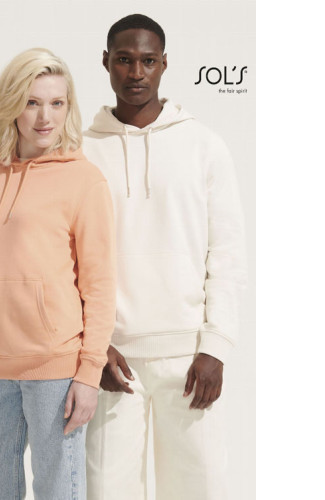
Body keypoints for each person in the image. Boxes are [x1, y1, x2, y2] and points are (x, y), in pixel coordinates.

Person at [83, 14, 247, 500]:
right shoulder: (80, 150)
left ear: (164, 64)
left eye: (148, 61)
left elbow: (227, 252)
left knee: (201, 490)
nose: (136, 73)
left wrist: (215, 345)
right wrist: (92, 345)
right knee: (106, 492)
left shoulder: (204, 146)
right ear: (106, 62)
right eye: (124, 60)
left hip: (190, 359)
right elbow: (63, 257)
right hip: (112, 361)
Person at [0, 48, 116, 500]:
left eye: (57, 103)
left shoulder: (84, 180)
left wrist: (88, 373)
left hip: (56, 369)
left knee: (59, 492)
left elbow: (100, 286)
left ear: (69, 106)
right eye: (32, 102)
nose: (46, 117)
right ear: (12, 105)